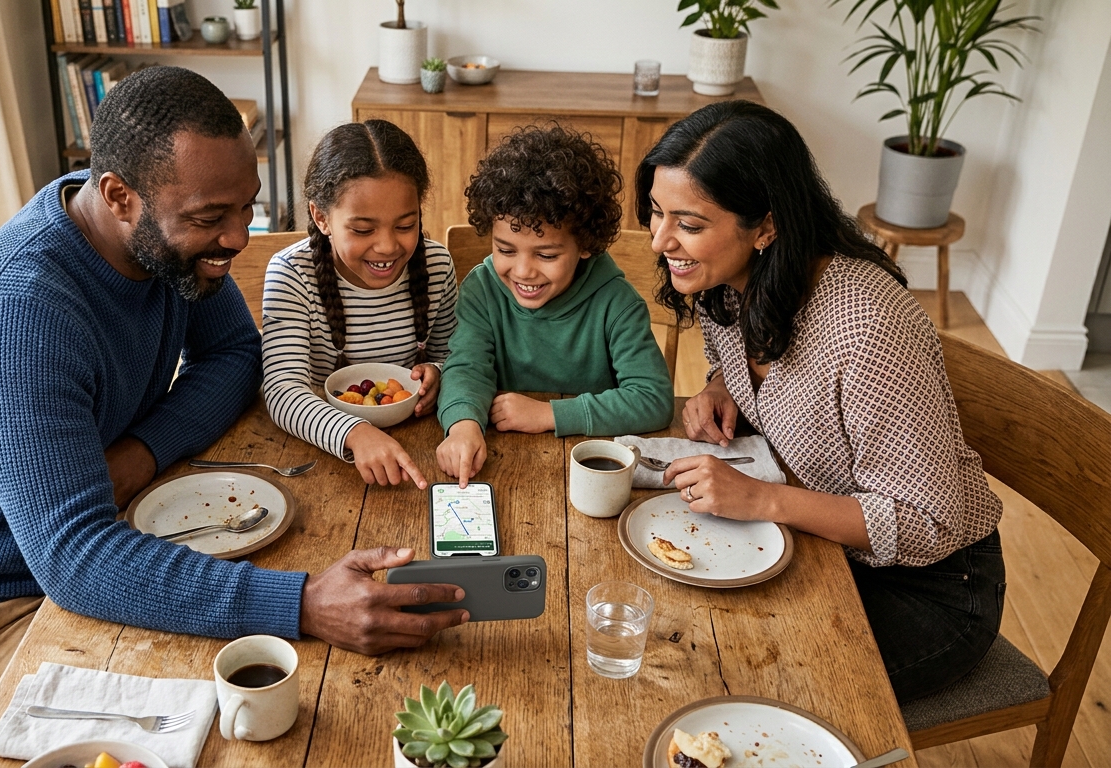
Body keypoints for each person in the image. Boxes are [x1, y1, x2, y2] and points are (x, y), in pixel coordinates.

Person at [0, 67, 466, 731]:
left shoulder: (160, 242)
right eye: (211, 218)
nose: (238, 238)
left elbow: (237, 355)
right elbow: (74, 558)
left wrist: (141, 454)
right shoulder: (18, 313)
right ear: (118, 196)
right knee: (202, 735)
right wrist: (302, 604)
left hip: (108, 535)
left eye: (246, 207)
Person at [637, 100, 1004, 702]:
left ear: (766, 226)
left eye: (690, 224)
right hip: (822, 546)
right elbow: (763, 366)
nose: (659, 241)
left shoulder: (866, 323)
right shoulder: (729, 282)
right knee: (673, 631)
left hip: (929, 588)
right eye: (656, 212)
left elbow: (928, 522)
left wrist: (761, 499)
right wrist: (721, 384)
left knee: (726, 681)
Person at [436, 125, 674, 486]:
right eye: (505, 249)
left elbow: (652, 400)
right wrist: (463, 425)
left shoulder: (617, 303)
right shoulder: (482, 290)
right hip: (505, 462)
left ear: (586, 245)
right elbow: (467, 367)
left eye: (546, 255)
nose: (523, 271)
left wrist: (550, 414)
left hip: (591, 468)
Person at [261, 120, 457, 488]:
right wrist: (355, 433)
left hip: (423, 444)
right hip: (323, 453)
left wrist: (438, 373)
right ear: (321, 218)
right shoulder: (292, 274)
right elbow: (282, 390)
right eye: (363, 230)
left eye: (406, 225)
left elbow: (454, 356)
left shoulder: (436, 265)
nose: (387, 246)